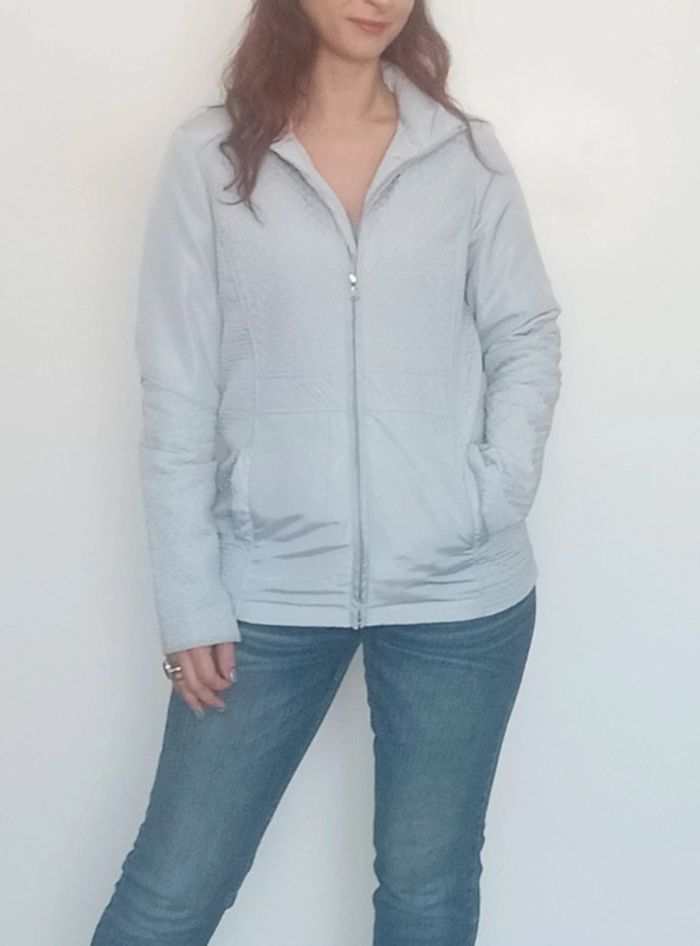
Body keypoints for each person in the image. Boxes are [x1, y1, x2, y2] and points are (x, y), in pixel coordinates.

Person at [90, 0, 562, 942]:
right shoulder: (211, 156)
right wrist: (189, 597)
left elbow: (526, 333)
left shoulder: (464, 155)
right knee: (170, 895)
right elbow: (177, 386)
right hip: (265, 586)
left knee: (427, 891)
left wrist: (491, 494)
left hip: (460, 594)